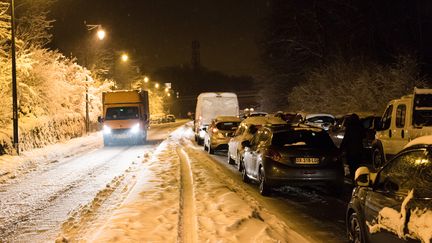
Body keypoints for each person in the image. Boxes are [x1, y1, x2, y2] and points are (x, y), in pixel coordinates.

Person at [340, 113, 365, 179]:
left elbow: (346, 139)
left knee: (352, 166)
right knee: (357, 165)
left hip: (351, 150)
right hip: (359, 149)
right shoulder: (360, 126)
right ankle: (357, 177)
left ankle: (353, 178)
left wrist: (341, 148)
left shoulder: (350, 127)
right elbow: (364, 135)